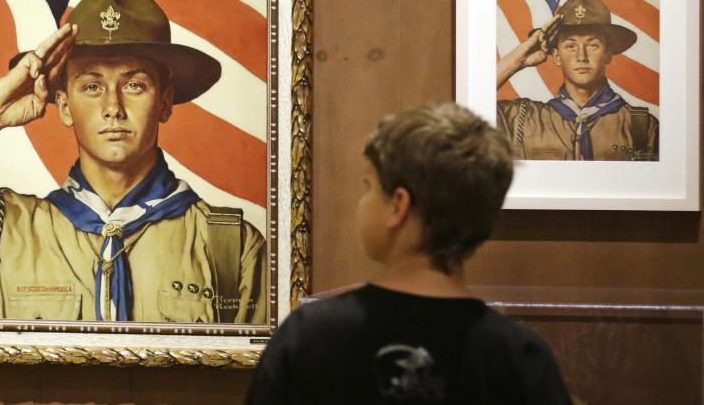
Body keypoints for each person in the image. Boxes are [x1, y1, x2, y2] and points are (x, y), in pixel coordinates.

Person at [0, 0, 266, 323]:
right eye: (92, 86)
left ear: (165, 102)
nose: (113, 106)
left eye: (134, 85)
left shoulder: (230, 247)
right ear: (64, 106)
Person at [245, 103, 571, 404]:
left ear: (398, 206)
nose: (362, 201)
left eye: (368, 186)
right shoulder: (519, 356)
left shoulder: (310, 336)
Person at [496, 0, 658, 161]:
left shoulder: (641, 126)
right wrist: (518, 60)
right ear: (557, 56)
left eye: (593, 45)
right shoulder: (522, 119)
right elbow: (474, 101)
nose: (581, 56)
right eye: (570, 46)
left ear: (608, 54)